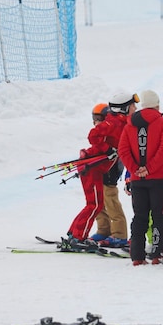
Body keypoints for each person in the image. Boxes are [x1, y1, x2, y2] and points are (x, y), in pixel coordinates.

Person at [62, 92, 136, 251]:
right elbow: (93, 135)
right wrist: (108, 149)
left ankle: (74, 234)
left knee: (95, 204)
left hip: (97, 168)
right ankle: (77, 237)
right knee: (94, 205)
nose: (135, 108)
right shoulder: (113, 123)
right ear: (123, 109)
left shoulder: (123, 122)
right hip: (92, 167)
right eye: (132, 106)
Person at [118, 90, 163, 265]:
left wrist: (136, 169)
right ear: (157, 105)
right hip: (159, 178)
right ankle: (157, 253)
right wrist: (149, 168)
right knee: (159, 216)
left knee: (140, 217)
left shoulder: (129, 125)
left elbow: (123, 150)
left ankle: (137, 256)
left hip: (137, 180)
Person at [88, 96, 138, 248]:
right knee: (99, 198)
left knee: (110, 197)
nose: (97, 121)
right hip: (100, 166)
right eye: (94, 118)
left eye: (100, 118)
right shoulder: (103, 129)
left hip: (112, 165)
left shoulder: (114, 126)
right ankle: (103, 229)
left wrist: (109, 150)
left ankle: (119, 234)